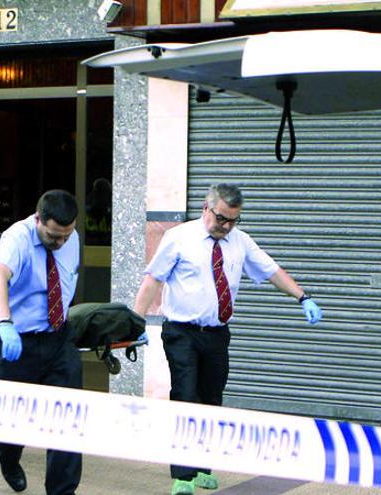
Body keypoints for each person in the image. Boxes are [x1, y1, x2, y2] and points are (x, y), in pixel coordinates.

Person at [133, 183, 323, 495]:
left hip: (218, 334)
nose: (226, 226)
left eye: (233, 220)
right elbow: (153, 279)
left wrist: (303, 297)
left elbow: (272, 271)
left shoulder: (240, 242)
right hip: (182, 332)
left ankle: (204, 465)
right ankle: (183, 474)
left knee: (211, 398)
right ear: (205, 209)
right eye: (221, 218)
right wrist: (135, 321)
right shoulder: (178, 238)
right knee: (185, 394)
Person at [0, 189, 82, 495]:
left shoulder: (71, 236)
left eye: (66, 236)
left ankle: (62, 491)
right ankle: (6, 455)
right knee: (12, 421)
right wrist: (5, 323)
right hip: (15, 337)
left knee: (68, 417)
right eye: (54, 236)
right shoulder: (18, 237)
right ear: (38, 218)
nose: (60, 243)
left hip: (56, 337)